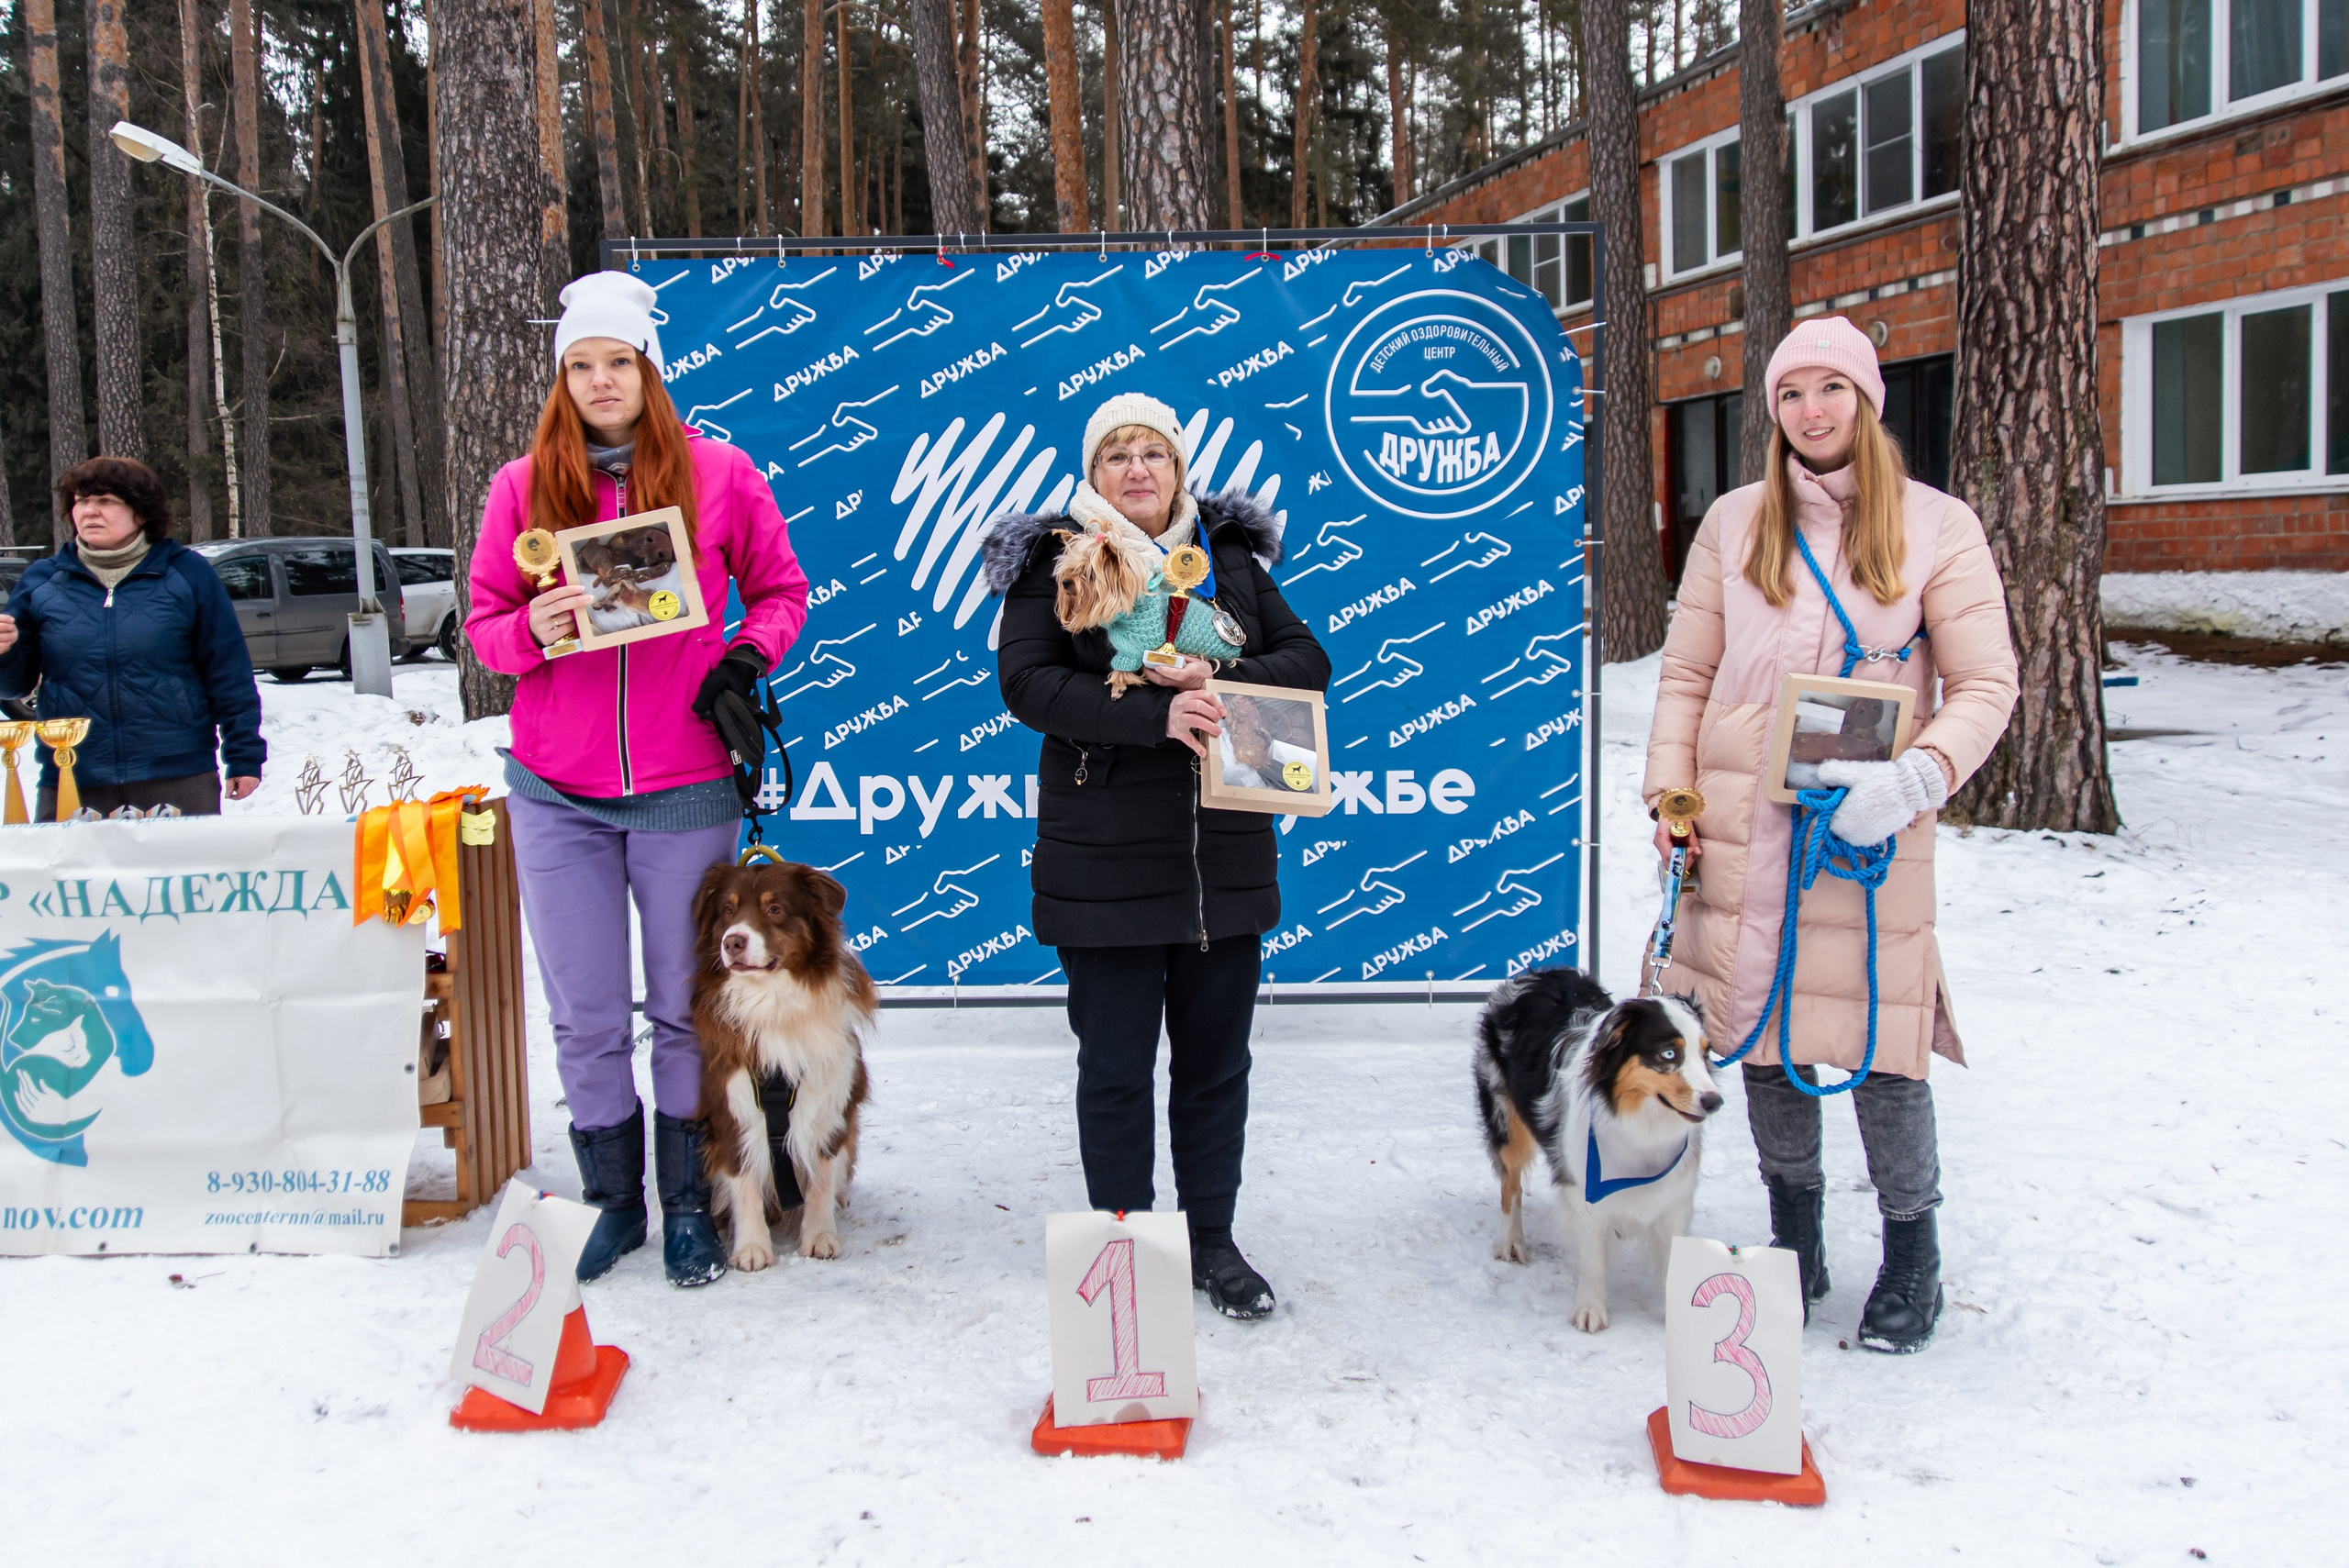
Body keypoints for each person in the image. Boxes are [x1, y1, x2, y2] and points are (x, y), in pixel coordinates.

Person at [1642, 317, 2019, 1354]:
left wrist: (1914, 780)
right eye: (1791, 393)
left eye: (1831, 389)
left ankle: (1911, 1250)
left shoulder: (1939, 526)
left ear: (1866, 399)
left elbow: (1987, 682)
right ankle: (1794, 1237)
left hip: (1868, 830)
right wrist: (1671, 798)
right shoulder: (1734, 522)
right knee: (1759, 1028)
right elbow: (1686, 672)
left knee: (1881, 1039)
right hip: (1739, 817)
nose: (1811, 411)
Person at [466, 272, 811, 1288]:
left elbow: (782, 591)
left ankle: (688, 1204)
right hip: (555, 790)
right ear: (562, 378)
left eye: (618, 361)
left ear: (649, 370)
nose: (601, 380)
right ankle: (614, 1202)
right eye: (581, 365)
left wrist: (744, 656)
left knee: (680, 1008)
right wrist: (529, 629)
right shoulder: (520, 487)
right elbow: (483, 626)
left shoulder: (720, 471)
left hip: (683, 787)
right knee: (583, 1012)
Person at [982, 392, 1330, 1320]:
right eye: (1117, 454)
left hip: (1225, 860)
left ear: (1178, 467)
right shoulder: (1056, 557)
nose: (1137, 468)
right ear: (1093, 473)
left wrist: (1218, 674)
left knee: (1216, 1067)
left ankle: (1212, 1241)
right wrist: (1152, 712)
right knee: (1115, 1068)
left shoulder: (1228, 555)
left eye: (1153, 453)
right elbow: (1027, 681)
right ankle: (1127, 1243)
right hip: (1103, 858)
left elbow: (1308, 660)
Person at [0, 457, 263, 817]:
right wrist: (4, 653)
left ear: (141, 513)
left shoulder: (187, 573)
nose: (89, 511)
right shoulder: (42, 580)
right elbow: (14, 686)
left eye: (106, 501)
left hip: (178, 774)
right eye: (81, 501)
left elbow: (228, 671)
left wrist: (244, 754)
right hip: (71, 776)